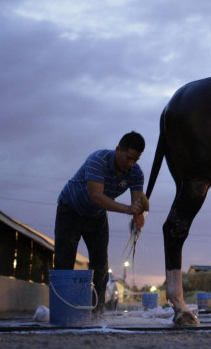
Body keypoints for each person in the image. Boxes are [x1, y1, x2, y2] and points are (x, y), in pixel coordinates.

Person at [54, 131, 147, 314]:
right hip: (70, 209)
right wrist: (128, 209)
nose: (130, 164)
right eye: (128, 158)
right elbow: (96, 196)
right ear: (118, 149)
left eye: (135, 160)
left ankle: (96, 312)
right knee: (64, 260)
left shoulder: (136, 173)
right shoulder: (98, 160)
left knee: (100, 264)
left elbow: (137, 203)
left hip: (96, 216)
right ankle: (62, 311)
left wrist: (138, 217)